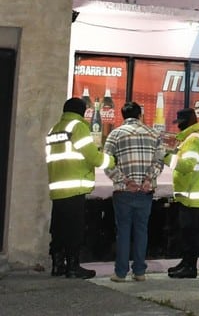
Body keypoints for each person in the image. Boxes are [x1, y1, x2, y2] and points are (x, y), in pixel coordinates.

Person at [45, 97, 115, 279]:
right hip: (74, 187)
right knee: (74, 229)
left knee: (58, 228)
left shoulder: (55, 129)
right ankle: (73, 267)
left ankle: (57, 265)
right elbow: (92, 156)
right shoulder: (78, 127)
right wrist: (111, 161)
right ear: (81, 111)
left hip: (57, 188)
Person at [103, 101, 165, 282]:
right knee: (141, 231)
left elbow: (106, 163)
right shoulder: (154, 134)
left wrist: (124, 180)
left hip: (123, 192)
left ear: (123, 116)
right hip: (145, 192)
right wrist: (148, 180)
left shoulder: (115, 134)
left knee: (123, 232)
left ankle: (120, 273)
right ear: (140, 115)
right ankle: (139, 272)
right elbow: (159, 161)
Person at [164, 108, 199, 278]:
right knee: (187, 232)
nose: (178, 126)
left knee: (190, 233)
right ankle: (186, 263)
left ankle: (190, 267)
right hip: (190, 193)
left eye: (180, 123)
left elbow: (187, 166)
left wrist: (165, 157)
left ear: (187, 122)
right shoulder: (193, 137)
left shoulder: (194, 139)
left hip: (192, 194)